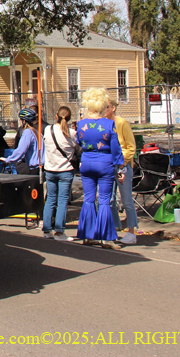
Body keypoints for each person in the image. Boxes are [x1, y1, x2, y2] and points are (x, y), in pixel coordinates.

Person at [75, 87, 124, 246]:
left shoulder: (81, 124)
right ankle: (105, 237)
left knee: (88, 199)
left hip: (87, 162)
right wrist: (120, 166)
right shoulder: (110, 124)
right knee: (104, 200)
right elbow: (116, 148)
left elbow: (79, 143)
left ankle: (88, 235)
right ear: (103, 106)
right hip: (104, 163)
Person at [42, 106, 78, 241]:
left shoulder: (48, 129)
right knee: (62, 200)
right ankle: (59, 231)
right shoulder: (72, 133)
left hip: (50, 169)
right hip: (66, 170)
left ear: (56, 116)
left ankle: (47, 230)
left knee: (50, 199)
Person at [106, 99, 139, 245]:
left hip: (121, 167)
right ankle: (115, 226)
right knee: (109, 199)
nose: (103, 110)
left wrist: (121, 162)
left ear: (113, 108)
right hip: (108, 166)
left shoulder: (122, 123)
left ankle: (132, 231)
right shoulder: (104, 124)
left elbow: (131, 147)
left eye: (106, 107)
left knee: (126, 199)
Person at [0, 108, 42, 175]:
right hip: (41, 167)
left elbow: (20, 151)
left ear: (24, 121)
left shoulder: (28, 132)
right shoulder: (37, 132)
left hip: (34, 168)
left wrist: (8, 160)